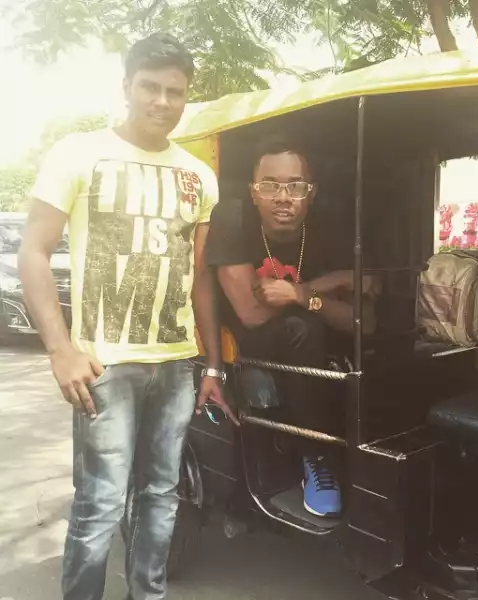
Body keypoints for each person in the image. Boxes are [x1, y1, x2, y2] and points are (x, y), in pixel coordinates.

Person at [18, 33, 230, 600]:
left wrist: (213, 366)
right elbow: (33, 252)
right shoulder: (77, 153)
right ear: (127, 87)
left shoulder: (198, 176)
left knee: (161, 497)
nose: (162, 101)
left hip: (177, 365)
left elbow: (200, 276)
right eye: (150, 88)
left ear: (188, 96)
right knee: (100, 505)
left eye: (175, 91)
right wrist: (61, 350)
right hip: (104, 368)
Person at [205, 136, 378, 517]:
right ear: (253, 192)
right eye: (270, 185)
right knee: (304, 329)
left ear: (311, 193)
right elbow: (251, 312)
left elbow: (366, 322)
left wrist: (302, 294)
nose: (284, 196)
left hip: (312, 334)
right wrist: (335, 283)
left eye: (295, 185)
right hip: (248, 346)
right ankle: (316, 458)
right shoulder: (233, 218)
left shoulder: (328, 230)